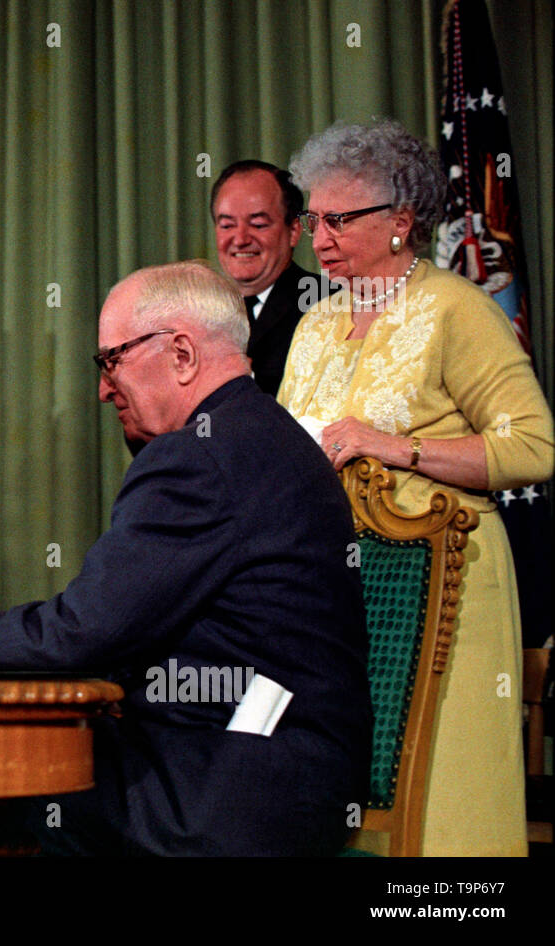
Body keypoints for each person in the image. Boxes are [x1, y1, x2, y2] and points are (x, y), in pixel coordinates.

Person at [0, 261, 371, 856]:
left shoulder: (198, 459)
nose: (104, 388)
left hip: (226, 789)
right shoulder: (267, 434)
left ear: (182, 353)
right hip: (285, 776)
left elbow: (83, 632)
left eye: (112, 360)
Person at [278, 119, 554, 856]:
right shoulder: (314, 324)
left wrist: (398, 447)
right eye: (312, 219)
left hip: (450, 589)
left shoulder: (457, 310)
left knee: (446, 799)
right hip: (344, 593)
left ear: (401, 222)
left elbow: (533, 447)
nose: (318, 236)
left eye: (339, 219)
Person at [210, 159, 318, 397]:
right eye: (227, 226)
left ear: (293, 231)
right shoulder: (199, 312)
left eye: (258, 224)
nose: (240, 239)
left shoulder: (325, 304)